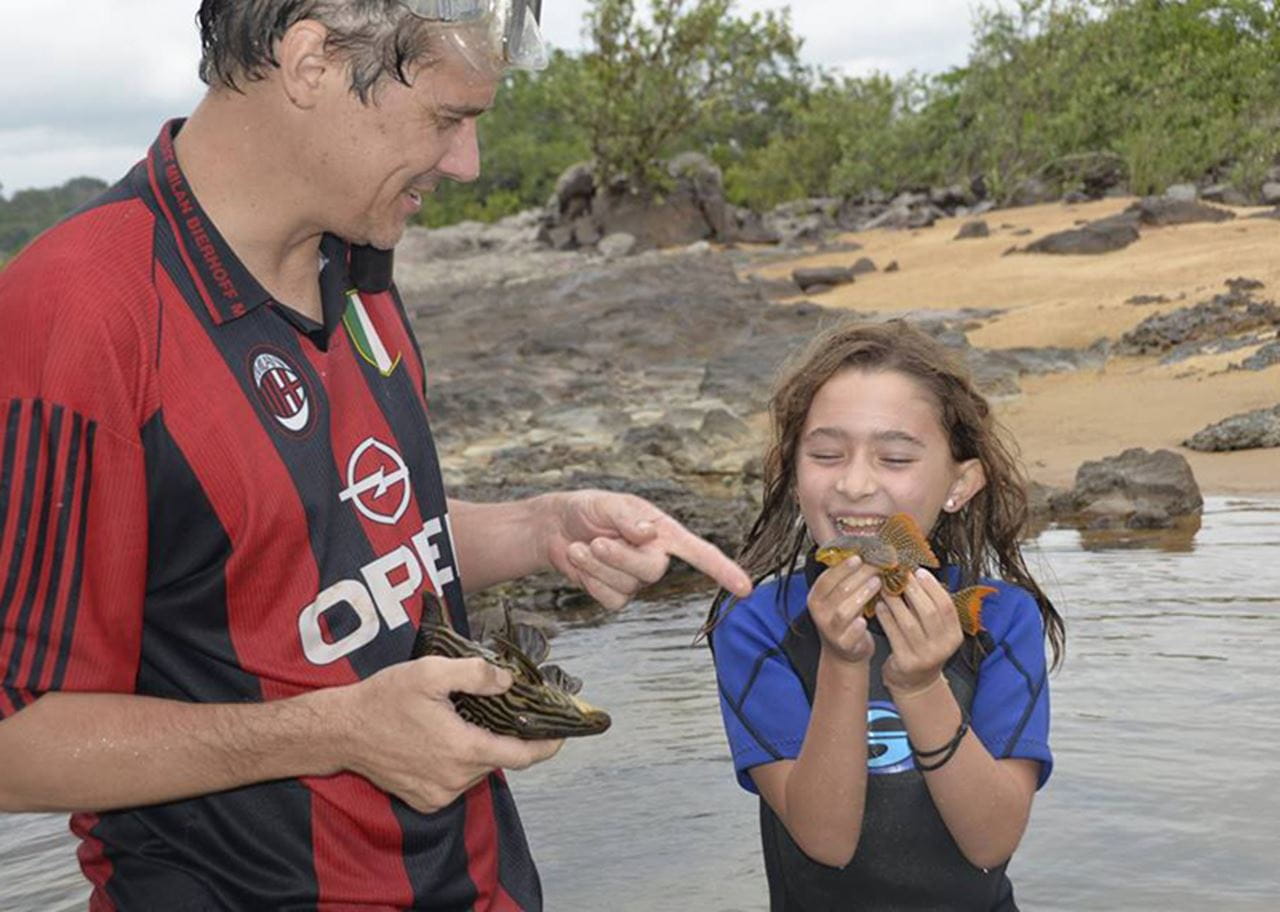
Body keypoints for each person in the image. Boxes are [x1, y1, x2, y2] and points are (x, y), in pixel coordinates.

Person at [0, 1, 751, 908]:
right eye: (448, 117)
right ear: (312, 60)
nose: (467, 163)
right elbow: (19, 745)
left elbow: (330, 544)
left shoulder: (357, 270)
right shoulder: (81, 311)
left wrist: (539, 528)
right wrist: (335, 733)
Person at [705, 320, 1064, 911]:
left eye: (895, 457)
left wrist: (921, 685)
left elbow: (991, 841)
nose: (854, 483)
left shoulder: (998, 620)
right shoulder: (756, 625)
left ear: (960, 482)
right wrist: (844, 663)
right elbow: (825, 840)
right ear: (792, 473)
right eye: (825, 454)